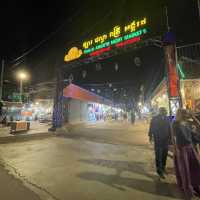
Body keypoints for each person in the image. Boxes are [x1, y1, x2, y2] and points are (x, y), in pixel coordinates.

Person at [173, 109, 200, 199]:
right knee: (185, 170)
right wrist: (176, 149)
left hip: (190, 147)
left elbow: (198, 125)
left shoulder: (188, 122)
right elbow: (174, 137)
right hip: (181, 148)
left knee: (196, 166)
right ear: (180, 114)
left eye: (187, 113)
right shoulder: (175, 123)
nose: (186, 114)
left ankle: (196, 185)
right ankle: (188, 190)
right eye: (184, 113)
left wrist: (193, 117)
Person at [148, 107, 171, 179]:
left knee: (164, 154)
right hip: (158, 140)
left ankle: (163, 167)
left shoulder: (167, 118)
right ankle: (159, 170)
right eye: (164, 111)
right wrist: (150, 136)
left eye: (165, 111)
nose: (165, 112)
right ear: (160, 111)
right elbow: (151, 128)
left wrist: (170, 137)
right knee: (158, 155)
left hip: (166, 140)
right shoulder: (154, 118)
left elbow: (169, 128)